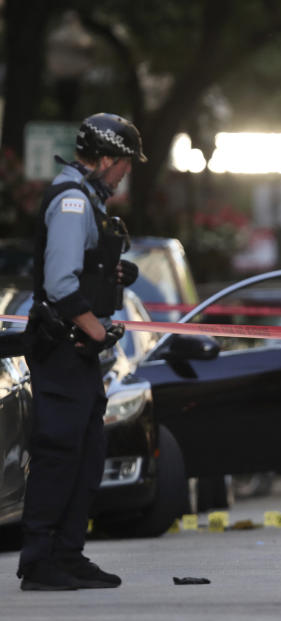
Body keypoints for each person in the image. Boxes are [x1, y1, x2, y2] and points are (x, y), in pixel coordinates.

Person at [18, 113, 146, 590]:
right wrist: (96, 332)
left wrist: (111, 273)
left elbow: (82, 269)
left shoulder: (88, 198)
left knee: (87, 453)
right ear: (107, 158)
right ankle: (40, 560)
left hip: (76, 351)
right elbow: (60, 284)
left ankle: (68, 554)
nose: (126, 173)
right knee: (59, 453)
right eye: (125, 164)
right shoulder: (73, 201)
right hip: (64, 348)